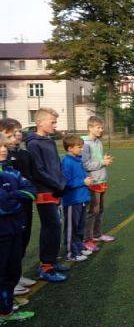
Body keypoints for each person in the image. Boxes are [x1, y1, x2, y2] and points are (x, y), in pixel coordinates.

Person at [25, 108, 69, 282]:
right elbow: (38, 171)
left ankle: (51, 261)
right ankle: (46, 267)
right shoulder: (33, 143)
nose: (55, 125)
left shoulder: (49, 141)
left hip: (56, 189)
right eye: (52, 122)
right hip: (45, 191)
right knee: (50, 227)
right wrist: (57, 184)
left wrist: (61, 182)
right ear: (40, 122)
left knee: (56, 227)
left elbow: (56, 165)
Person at [0, 134, 35, 327]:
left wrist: (13, 197)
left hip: (14, 229)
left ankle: (6, 310)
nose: (4, 149)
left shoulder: (12, 171)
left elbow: (30, 190)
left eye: (5, 146)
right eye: (0, 146)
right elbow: (5, 205)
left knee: (12, 271)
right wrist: (16, 198)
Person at [82, 116, 115, 253]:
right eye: (98, 128)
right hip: (92, 181)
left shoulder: (98, 142)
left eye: (102, 127)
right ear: (90, 128)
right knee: (92, 211)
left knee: (99, 210)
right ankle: (87, 239)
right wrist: (102, 163)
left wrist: (103, 159)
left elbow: (97, 160)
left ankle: (97, 234)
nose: (101, 130)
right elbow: (85, 164)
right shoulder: (85, 143)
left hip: (101, 180)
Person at [61, 135, 93, 262]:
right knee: (71, 228)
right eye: (79, 147)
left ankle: (79, 247)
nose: (81, 150)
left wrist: (87, 181)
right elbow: (66, 183)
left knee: (80, 226)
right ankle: (71, 253)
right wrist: (83, 182)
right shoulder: (66, 162)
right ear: (70, 148)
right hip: (72, 201)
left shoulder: (78, 159)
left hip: (82, 199)